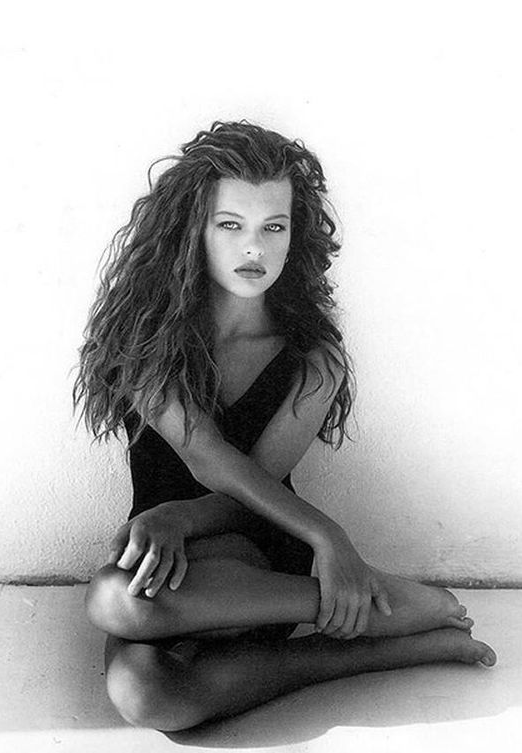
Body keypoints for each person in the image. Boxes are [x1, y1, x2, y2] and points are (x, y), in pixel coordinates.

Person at [73, 120, 496, 731]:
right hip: (164, 557)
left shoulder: (312, 359)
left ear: (295, 236)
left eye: (274, 227)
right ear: (193, 230)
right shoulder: (146, 340)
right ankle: (374, 618)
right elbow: (205, 455)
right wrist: (329, 539)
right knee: (145, 694)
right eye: (230, 225)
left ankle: (355, 603)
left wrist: (316, 540)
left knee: (114, 600)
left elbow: (253, 489)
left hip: (259, 548)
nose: (254, 248)